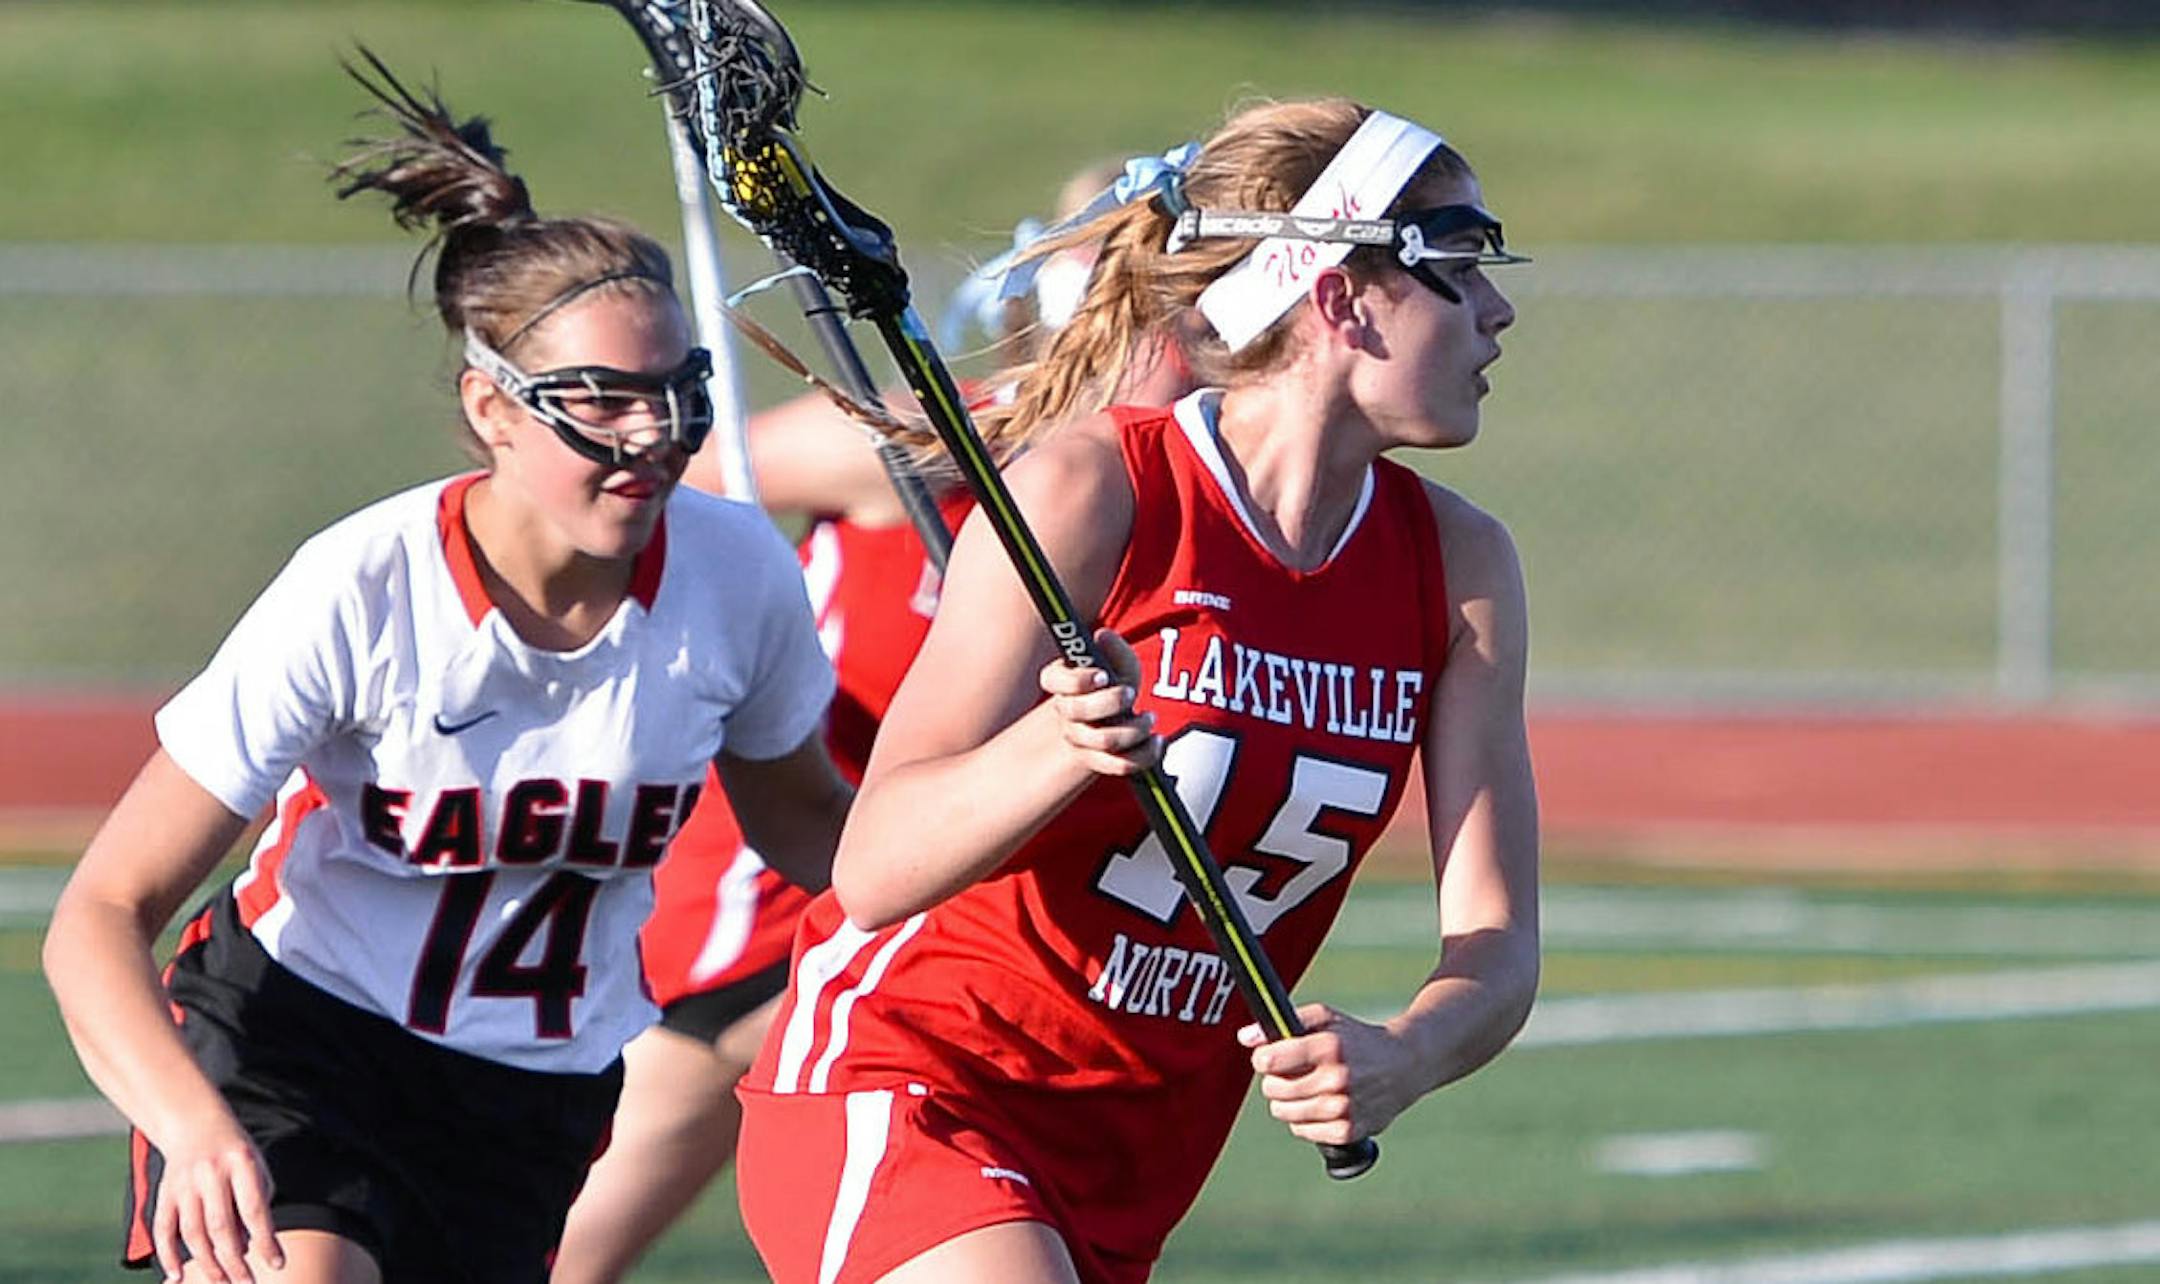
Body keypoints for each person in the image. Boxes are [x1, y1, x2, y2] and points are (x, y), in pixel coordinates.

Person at [39, 55, 849, 1284]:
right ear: (493, 408)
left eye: (677, 396)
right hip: (298, 1049)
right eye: (599, 402)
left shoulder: (736, 577)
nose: (651, 439)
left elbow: (821, 841)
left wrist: (1035, 806)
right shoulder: (363, 586)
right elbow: (97, 916)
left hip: (538, 1101)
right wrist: (196, 1130)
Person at [732, 97, 1542, 1284]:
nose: (1497, 308)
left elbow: (1499, 945)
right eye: (1456, 264)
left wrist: (1410, 1053)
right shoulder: (1096, 488)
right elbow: (874, 864)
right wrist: (1059, 750)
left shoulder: (1461, 566)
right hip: (917, 1077)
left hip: (1135, 1153)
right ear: (1336, 294)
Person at [550, 155, 1196, 1284]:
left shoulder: (1156, 493)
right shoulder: (935, 443)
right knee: (562, 1241)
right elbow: (702, 473)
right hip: (782, 879)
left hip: (936, 886)